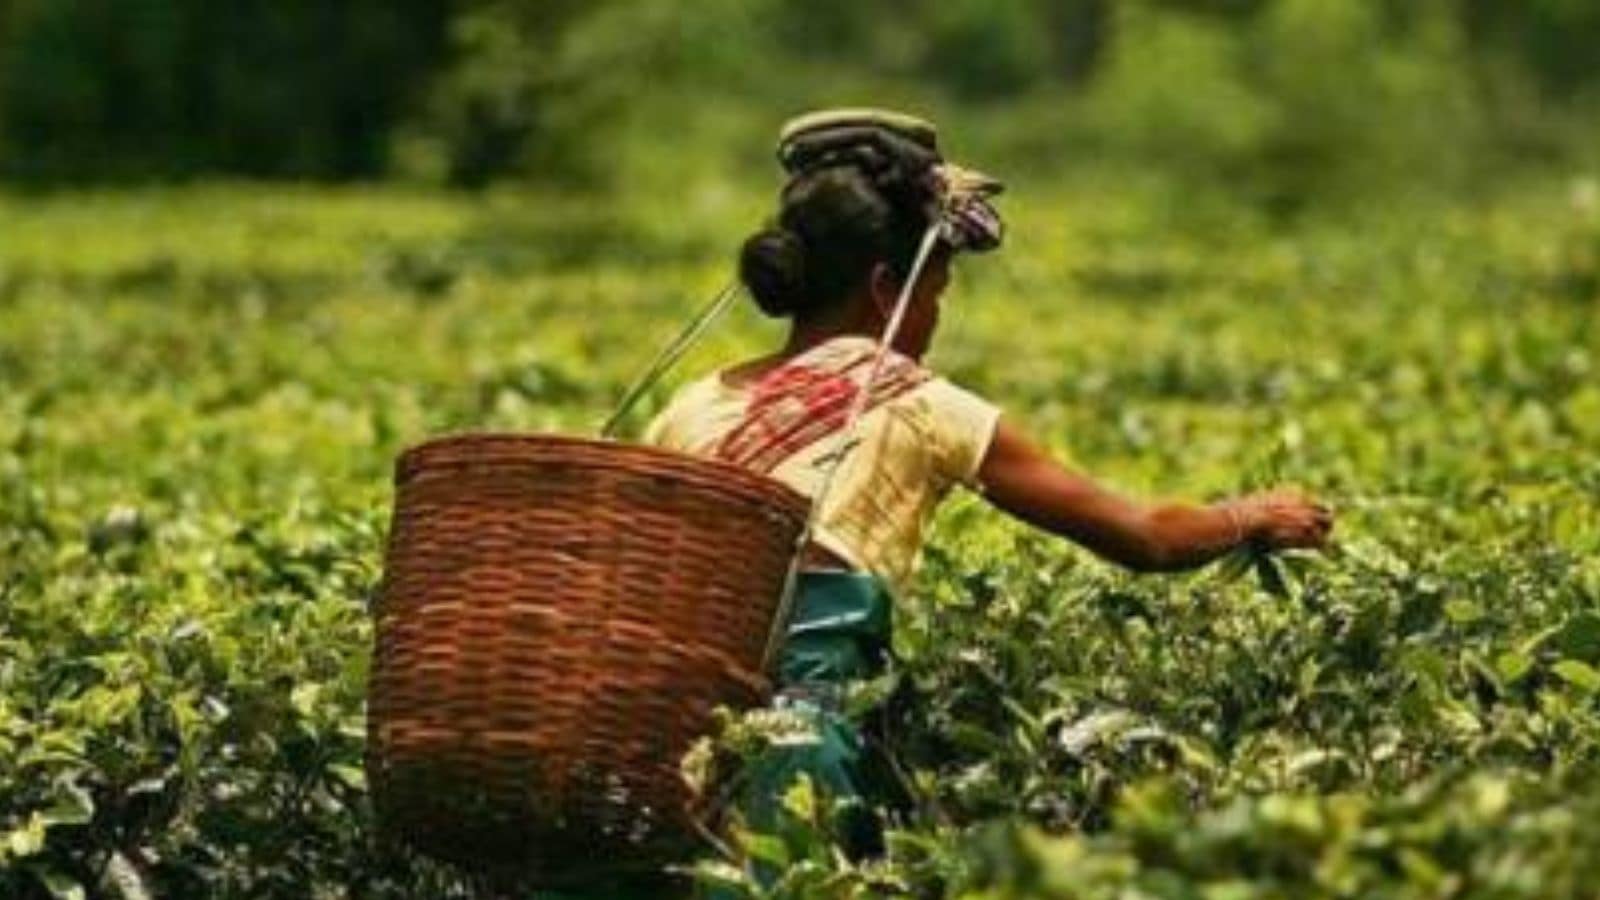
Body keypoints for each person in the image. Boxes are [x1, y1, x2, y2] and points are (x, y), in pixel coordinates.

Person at [641, 109, 1334, 890]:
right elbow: (1142, 535)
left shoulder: (698, 401)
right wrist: (1252, 515)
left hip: (666, 734)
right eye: (935, 292)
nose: (935, 319)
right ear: (884, 290)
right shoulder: (915, 403)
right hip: (801, 740)